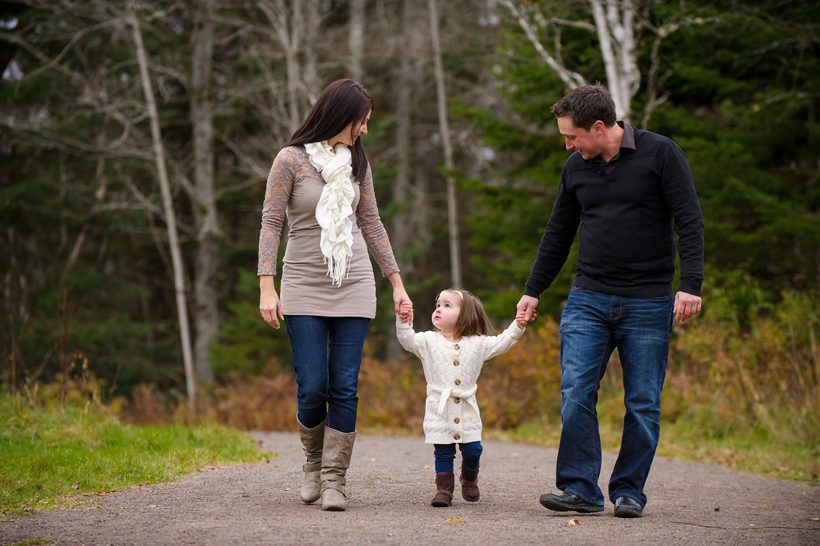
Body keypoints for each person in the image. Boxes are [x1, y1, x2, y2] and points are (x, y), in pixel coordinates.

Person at [516, 84, 704, 518]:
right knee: (576, 391)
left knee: (642, 401)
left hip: (649, 302)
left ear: (599, 128)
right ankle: (580, 488)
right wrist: (533, 289)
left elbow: (689, 220)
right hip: (589, 299)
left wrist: (690, 283)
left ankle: (629, 490)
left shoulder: (661, 154)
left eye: (573, 136)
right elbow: (557, 233)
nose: (568, 144)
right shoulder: (575, 168)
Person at [257, 79, 413, 512]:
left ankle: (334, 480)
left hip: (355, 282)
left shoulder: (357, 163)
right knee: (312, 386)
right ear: (341, 116)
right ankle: (312, 463)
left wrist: (396, 282)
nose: (364, 130)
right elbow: (272, 222)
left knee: (344, 385)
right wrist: (266, 285)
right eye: (361, 121)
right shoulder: (291, 159)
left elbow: (373, 224)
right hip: (303, 283)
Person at [396, 289, 528, 507]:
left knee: (473, 449)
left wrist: (518, 325)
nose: (439, 308)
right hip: (440, 408)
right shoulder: (428, 341)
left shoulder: (478, 343)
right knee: (443, 450)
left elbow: (503, 341)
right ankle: (444, 490)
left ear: (466, 314)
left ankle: (469, 478)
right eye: (438, 304)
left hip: (467, 408)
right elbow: (407, 339)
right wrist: (404, 322)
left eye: (447, 305)